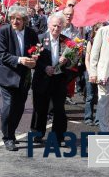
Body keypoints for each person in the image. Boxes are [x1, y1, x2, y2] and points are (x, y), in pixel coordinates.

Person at [0, 6, 38, 151]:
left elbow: (36, 51)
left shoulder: (31, 33)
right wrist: (20, 60)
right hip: (7, 76)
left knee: (19, 107)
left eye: (18, 19)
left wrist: (34, 60)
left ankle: (11, 133)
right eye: (12, 18)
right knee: (8, 106)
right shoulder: (3, 31)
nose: (14, 21)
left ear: (25, 20)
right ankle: (7, 137)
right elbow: (1, 54)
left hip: (24, 77)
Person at [31, 13, 71, 145]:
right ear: (49, 25)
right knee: (40, 107)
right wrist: (44, 67)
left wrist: (66, 60)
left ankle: (58, 136)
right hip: (42, 78)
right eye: (54, 25)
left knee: (59, 109)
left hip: (59, 79)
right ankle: (38, 133)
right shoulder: (40, 39)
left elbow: (73, 62)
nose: (56, 29)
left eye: (59, 26)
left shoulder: (66, 41)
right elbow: (34, 59)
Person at [84, 23, 104, 126]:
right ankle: (88, 117)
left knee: (100, 96)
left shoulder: (105, 43)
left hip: (102, 72)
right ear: (95, 31)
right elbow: (87, 60)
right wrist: (91, 72)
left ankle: (98, 119)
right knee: (90, 96)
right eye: (99, 30)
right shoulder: (90, 42)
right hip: (91, 72)